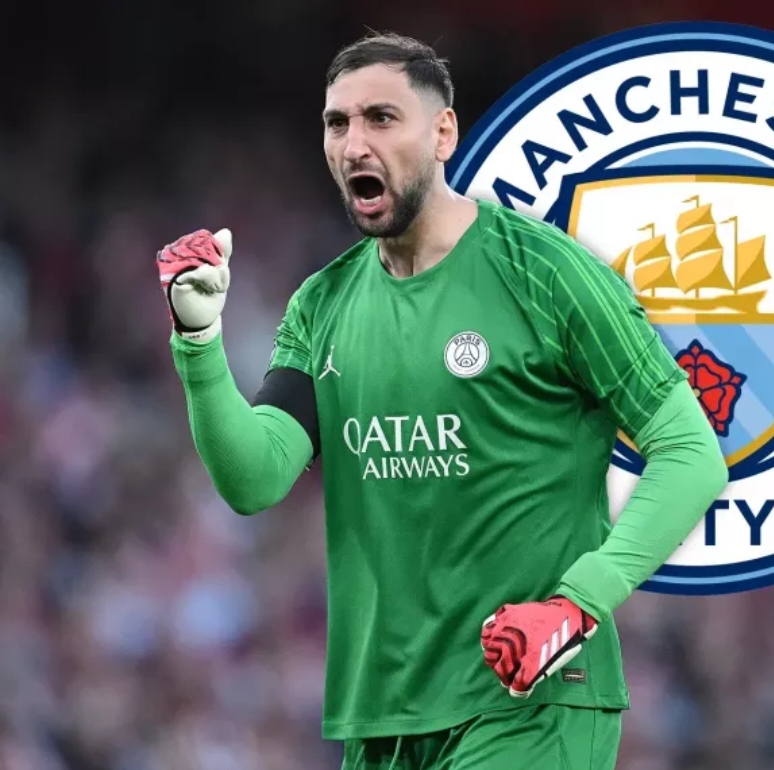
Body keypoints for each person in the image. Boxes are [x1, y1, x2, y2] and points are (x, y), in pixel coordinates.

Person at [156, 31, 729, 770]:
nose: (354, 144)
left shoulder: (546, 275)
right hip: (385, 715)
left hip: (530, 702)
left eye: (381, 118)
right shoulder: (322, 305)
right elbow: (255, 476)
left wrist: (577, 603)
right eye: (337, 123)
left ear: (443, 133)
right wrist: (199, 342)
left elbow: (690, 453)